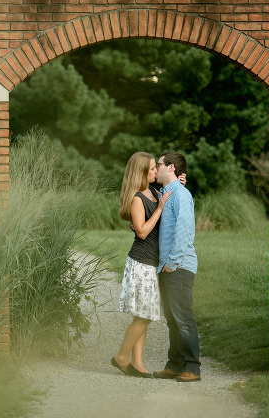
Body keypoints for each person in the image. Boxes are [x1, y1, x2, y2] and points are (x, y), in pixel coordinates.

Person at [111, 152, 172, 378]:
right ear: (142, 172)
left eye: (157, 167)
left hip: (151, 263)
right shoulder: (138, 198)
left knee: (142, 314)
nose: (156, 171)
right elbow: (143, 232)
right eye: (153, 168)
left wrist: (177, 183)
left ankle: (137, 362)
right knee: (145, 315)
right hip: (141, 263)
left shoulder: (154, 191)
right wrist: (158, 209)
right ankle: (121, 356)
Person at [153, 151, 201, 383]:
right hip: (166, 266)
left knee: (183, 317)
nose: (156, 168)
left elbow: (184, 232)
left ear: (170, 167)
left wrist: (172, 263)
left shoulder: (181, 195)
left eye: (159, 164)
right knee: (172, 318)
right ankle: (174, 365)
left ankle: (192, 366)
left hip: (179, 266)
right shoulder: (165, 192)